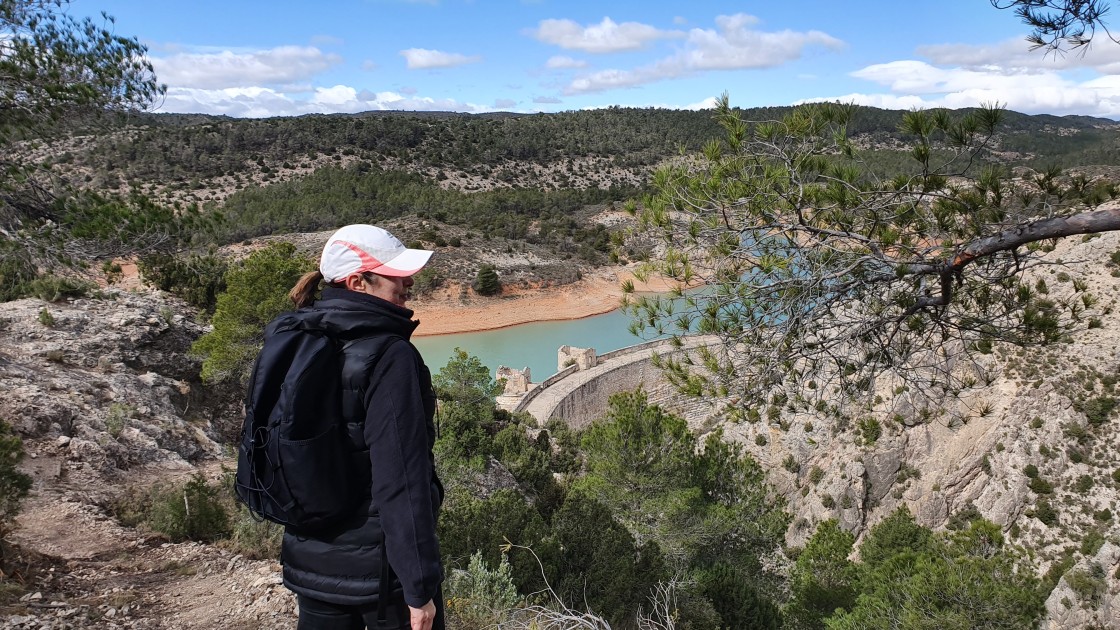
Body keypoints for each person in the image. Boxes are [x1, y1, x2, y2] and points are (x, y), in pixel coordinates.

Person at [279, 224, 444, 630]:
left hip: (311, 568)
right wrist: (418, 586)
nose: (408, 284)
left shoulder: (297, 337)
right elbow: (401, 479)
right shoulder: (390, 355)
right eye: (396, 276)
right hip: (381, 579)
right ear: (358, 282)